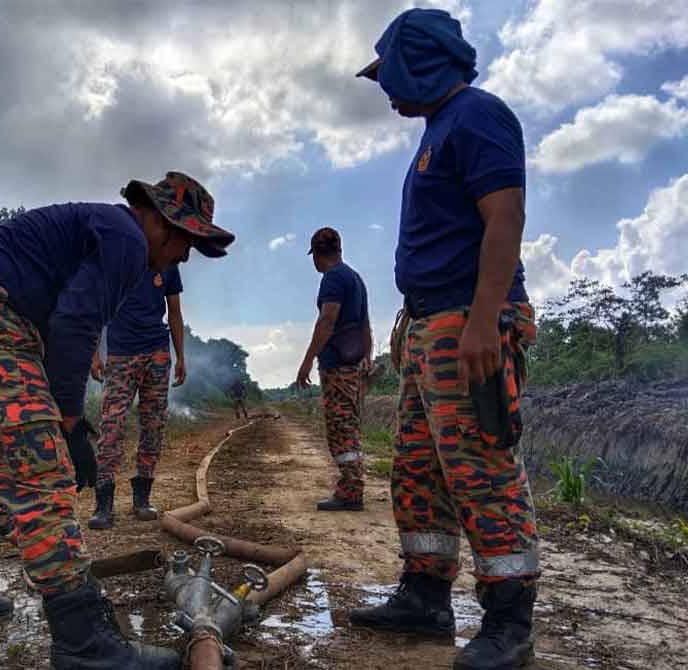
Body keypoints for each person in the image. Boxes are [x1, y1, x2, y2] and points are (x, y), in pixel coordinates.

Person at [0, 172, 233, 669]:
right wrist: (67, 422)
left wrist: (65, 414)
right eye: (186, 241)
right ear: (161, 221)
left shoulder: (100, 227)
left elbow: (61, 321)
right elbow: (75, 323)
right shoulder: (127, 238)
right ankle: (84, 642)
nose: (185, 256)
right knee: (40, 475)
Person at [348, 9, 539, 670]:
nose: (386, 91)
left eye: (389, 75)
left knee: (479, 468)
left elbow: (504, 216)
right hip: (432, 322)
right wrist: (411, 316)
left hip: (469, 322)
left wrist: (485, 318)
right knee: (419, 466)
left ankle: (510, 622)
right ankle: (425, 595)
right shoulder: (437, 130)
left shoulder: (478, 115)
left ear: (420, 61)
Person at [86, 262, 187, 530]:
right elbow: (97, 308)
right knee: (111, 426)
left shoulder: (169, 262)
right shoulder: (119, 256)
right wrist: (95, 353)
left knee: (154, 425)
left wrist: (180, 357)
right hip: (121, 353)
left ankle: (142, 498)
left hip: (158, 352)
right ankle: (103, 503)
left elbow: (175, 312)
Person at [296, 227, 372, 513]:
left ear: (316, 254)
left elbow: (326, 322)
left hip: (338, 366)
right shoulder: (354, 278)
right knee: (348, 425)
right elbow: (365, 323)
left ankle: (351, 491)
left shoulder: (333, 279)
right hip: (351, 366)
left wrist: (306, 362)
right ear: (338, 249)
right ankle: (352, 486)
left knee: (341, 428)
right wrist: (368, 355)